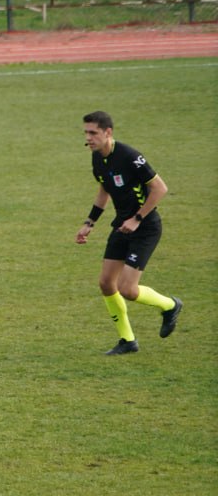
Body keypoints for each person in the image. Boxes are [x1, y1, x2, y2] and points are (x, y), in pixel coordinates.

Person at [75, 110, 182, 355]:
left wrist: (137, 218)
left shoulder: (130, 157)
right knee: (105, 283)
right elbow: (104, 189)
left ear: (108, 132)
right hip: (122, 226)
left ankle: (170, 305)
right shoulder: (97, 158)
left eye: (93, 133)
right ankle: (127, 340)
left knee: (128, 290)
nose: (89, 138)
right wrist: (89, 222)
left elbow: (160, 189)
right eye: (86, 132)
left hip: (145, 228)